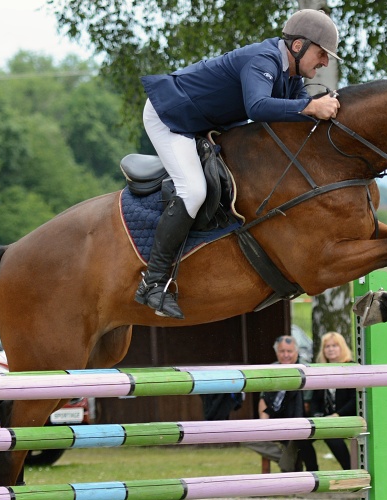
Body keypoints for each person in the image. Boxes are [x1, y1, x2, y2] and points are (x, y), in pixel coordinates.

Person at [135, 9, 342, 318]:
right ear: (297, 46)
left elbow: (291, 124)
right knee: (193, 191)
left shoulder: (291, 78)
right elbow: (257, 107)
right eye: (321, 53)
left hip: (202, 123)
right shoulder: (263, 59)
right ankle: (152, 284)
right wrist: (311, 106)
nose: (325, 62)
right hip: (172, 117)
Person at [249, 335, 315, 471]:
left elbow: (307, 405)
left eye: (289, 351)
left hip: (299, 422)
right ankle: (282, 456)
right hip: (276, 418)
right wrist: (265, 424)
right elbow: (263, 399)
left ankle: (287, 464)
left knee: (291, 455)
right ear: (276, 352)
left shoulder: (305, 370)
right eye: (282, 351)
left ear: (296, 352)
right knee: (247, 437)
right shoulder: (271, 369)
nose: (285, 355)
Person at [306, 332, 357, 470]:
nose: (330, 349)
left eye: (335, 345)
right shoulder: (321, 370)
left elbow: (354, 400)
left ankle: (350, 470)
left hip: (347, 417)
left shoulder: (351, 367)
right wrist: (316, 414)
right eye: (327, 346)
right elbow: (315, 399)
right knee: (302, 437)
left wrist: (337, 415)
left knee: (331, 435)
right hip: (326, 418)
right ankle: (312, 475)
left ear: (342, 348)